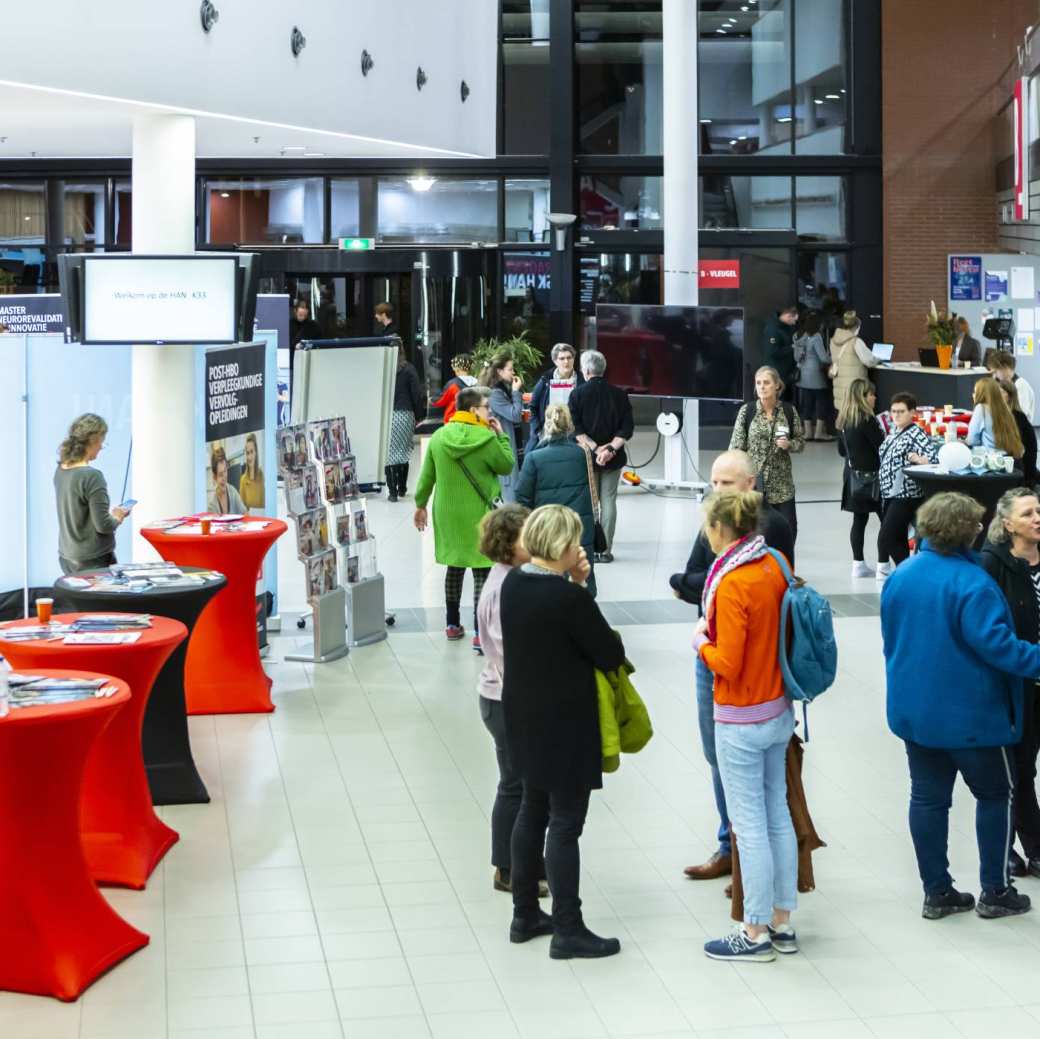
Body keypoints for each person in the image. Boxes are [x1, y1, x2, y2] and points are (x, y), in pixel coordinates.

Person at [882, 491, 1039, 920]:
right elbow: (1001, 649)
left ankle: (937, 891)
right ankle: (995, 890)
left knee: (928, 799)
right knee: (996, 794)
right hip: (973, 718)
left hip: (915, 714)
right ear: (963, 532)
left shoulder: (902, 575)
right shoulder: (973, 584)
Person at [501, 504, 626, 959]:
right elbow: (609, 652)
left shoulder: (514, 583)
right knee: (566, 824)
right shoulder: (569, 599)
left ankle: (525, 912)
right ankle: (568, 928)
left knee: (531, 810)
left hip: (523, 718)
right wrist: (581, 587)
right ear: (561, 546)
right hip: (567, 724)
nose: (579, 548)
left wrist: (572, 583)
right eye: (574, 541)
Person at [670, 451, 794, 883]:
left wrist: (694, 594)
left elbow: (694, 583)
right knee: (716, 755)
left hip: (748, 661)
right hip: (718, 655)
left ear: (751, 483)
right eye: (715, 482)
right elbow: (692, 578)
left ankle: (747, 857)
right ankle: (732, 846)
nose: (718, 490)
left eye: (727, 483)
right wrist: (692, 585)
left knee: (754, 766)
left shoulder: (771, 526)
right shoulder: (713, 520)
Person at [693, 489, 798, 962]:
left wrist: (701, 643)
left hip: (740, 715)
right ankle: (782, 921)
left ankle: (753, 931)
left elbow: (728, 664)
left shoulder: (732, 583)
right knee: (778, 815)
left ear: (720, 529)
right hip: (778, 708)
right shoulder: (774, 565)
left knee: (748, 825)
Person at [475, 504, 545, 895]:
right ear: (506, 544)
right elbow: (510, 655)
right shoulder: (503, 590)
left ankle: (524, 862)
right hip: (505, 700)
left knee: (520, 784)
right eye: (525, 537)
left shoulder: (513, 579)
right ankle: (507, 867)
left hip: (505, 696)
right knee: (515, 785)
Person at [414, 386, 514, 646]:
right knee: (482, 569)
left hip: (448, 512)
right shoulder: (487, 438)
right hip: (480, 512)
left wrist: (420, 505)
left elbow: (427, 477)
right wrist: (502, 436)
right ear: (473, 410)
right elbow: (506, 465)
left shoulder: (439, 437)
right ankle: (481, 634)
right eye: (485, 408)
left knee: (455, 565)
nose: (489, 412)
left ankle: (451, 624)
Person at [982, 489, 1040, 880]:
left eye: (1039, 511)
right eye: (1028, 513)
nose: (1037, 518)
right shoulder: (993, 565)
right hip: (1018, 684)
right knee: (1020, 769)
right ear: (1007, 525)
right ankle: (1029, 847)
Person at [515, 403, 597, 597]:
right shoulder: (582, 454)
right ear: (570, 425)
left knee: (549, 582)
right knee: (582, 578)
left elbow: (522, 498)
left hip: (548, 529)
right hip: (580, 528)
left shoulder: (533, 458)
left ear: (546, 424)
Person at [569, 350, 635, 564]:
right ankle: (605, 551)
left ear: (586, 370)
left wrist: (596, 449)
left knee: (590, 502)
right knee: (609, 501)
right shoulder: (619, 394)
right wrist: (610, 451)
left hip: (587, 457)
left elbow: (575, 429)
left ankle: (589, 548)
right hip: (613, 459)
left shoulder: (577, 394)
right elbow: (627, 429)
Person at [729, 366, 805, 545]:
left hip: (782, 486)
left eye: (767, 383)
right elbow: (735, 448)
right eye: (758, 383)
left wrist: (789, 444)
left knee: (789, 531)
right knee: (755, 534)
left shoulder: (788, 411)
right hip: (753, 485)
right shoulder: (747, 412)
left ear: (777, 386)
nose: (762, 387)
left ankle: (784, 568)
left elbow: (800, 442)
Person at [54, 413, 128, 574]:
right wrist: (117, 516)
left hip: (67, 557)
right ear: (93, 440)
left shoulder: (60, 470)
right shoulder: (91, 476)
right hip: (94, 560)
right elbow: (104, 526)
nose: (102, 446)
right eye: (102, 440)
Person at [877, 392, 938, 575]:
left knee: (887, 536)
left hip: (906, 495)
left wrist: (917, 458)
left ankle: (907, 572)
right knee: (896, 536)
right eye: (893, 411)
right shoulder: (894, 432)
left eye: (901, 411)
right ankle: (906, 572)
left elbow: (933, 458)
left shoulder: (916, 433)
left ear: (912, 412)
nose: (896, 415)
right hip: (891, 493)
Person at [836, 378, 885, 578]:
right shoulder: (868, 420)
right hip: (873, 478)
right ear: (862, 397)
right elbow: (881, 446)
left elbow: (841, 451)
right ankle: (884, 564)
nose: (875, 397)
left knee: (859, 520)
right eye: (871, 394)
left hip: (853, 479)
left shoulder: (843, 421)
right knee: (887, 520)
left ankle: (858, 563)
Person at [479, 353, 525, 503]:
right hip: (504, 445)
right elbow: (515, 415)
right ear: (499, 371)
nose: (513, 373)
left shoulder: (499, 390)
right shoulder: (495, 393)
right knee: (509, 495)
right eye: (510, 369)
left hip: (506, 443)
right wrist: (516, 391)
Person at [385, 348, 425, 502]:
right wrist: (420, 414)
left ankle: (392, 492)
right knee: (404, 449)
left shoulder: (384, 369)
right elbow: (416, 393)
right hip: (404, 414)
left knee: (388, 454)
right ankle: (402, 487)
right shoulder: (408, 369)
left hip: (386, 415)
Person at [528, 343, 585, 446]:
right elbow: (532, 407)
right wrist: (537, 432)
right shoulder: (545, 379)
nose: (566, 362)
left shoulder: (582, 381)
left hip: (575, 436)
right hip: (548, 436)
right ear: (555, 361)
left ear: (574, 358)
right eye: (562, 358)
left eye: (569, 357)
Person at [792, 311, 833, 442]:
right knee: (821, 402)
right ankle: (819, 433)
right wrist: (831, 358)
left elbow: (796, 357)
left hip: (803, 374)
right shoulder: (816, 337)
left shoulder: (798, 336)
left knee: (807, 403)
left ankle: (808, 432)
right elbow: (823, 358)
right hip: (816, 374)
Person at [830, 310, 880, 414]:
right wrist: (878, 359)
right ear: (856, 327)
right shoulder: (856, 341)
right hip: (855, 385)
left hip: (839, 384)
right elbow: (869, 361)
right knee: (855, 415)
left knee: (843, 414)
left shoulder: (833, 341)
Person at [966, 377, 1024, 460]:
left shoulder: (981, 408)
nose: (973, 395)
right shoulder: (1006, 409)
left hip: (990, 460)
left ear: (982, 393)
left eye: (975, 392)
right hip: (1008, 459)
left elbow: (972, 441)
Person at [998, 379, 1038, 486]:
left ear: (1009, 396)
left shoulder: (1017, 416)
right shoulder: (1005, 413)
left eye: (1001, 393)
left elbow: (1017, 449)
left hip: (1024, 469)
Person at [988, 349, 1036, 424]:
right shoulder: (1005, 384)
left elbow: (1020, 415)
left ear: (1006, 367)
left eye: (996, 371)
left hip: (1019, 431)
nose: (994, 376)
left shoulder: (1021, 385)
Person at [761, 304, 799, 400]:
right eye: (794, 319)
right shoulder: (773, 329)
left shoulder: (786, 327)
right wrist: (792, 347)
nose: (795, 323)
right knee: (779, 400)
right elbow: (773, 352)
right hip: (777, 372)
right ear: (787, 316)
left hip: (786, 371)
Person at [431, 354, 477, 423]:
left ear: (456, 368)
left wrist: (431, 400)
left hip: (454, 419)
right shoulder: (477, 383)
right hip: (473, 419)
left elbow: (441, 400)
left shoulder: (452, 384)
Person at [208, 445, 246, 515]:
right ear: (214, 477)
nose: (224, 477)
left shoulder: (233, 492)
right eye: (220, 474)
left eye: (225, 471)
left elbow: (245, 514)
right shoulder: (212, 505)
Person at [238, 432, 264, 512]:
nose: (249, 457)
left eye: (251, 452)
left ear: (256, 453)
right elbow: (241, 510)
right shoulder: (243, 480)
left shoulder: (262, 475)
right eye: (247, 453)